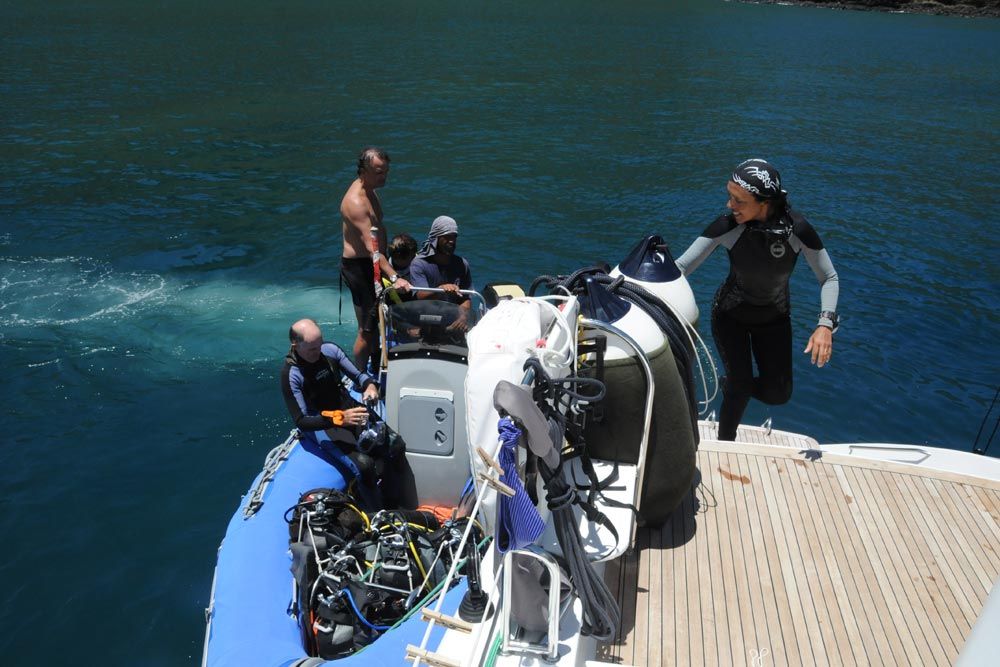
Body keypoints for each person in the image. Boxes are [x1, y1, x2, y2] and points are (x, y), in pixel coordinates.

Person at [674, 159, 840, 441]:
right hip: (730, 316)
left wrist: (825, 324)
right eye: (729, 197)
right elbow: (679, 269)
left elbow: (829, 278)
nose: (729, 205)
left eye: (738, 200)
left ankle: (734, 385)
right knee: (740, 387)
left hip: (774, 318)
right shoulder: (727, 227)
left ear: (764, 202)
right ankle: (727, 443)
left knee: (778, 394)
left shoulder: (797, 230)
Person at [280, 318, 417, 509]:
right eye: (312, 349)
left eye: (319, 345)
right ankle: (378, 514)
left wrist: (369, 386)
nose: (318, 351)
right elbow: (301, 421)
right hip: (324, 423)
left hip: (348, 409)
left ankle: (403, 502)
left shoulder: (329, 351)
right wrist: (338, 418)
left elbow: (359, 376)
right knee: (365, 466)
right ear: (295, 345)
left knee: (396, 445)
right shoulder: (291, 375)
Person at [340, 146, 411, 371]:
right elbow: (371, 249)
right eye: (379, 172)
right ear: (364, 170)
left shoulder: (371, 189)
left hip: (376, 261)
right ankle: (361, 377)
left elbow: (379, 230)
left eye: (386, 171)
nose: (384, 176)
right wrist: (394, 275)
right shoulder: (356, 202)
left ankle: (376, 357)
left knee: (382, 314)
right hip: (360, 267)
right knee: (367, 328)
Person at [409, 216, 475, 335]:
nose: (452, 241)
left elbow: (466, 298)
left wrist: (463, 317)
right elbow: (420, 296)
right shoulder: (419, 264)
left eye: (454, 237)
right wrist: (440, 289)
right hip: (425, 322)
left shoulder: (462, 264)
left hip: (453, 323)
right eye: (447, 237)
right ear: (436, 238)